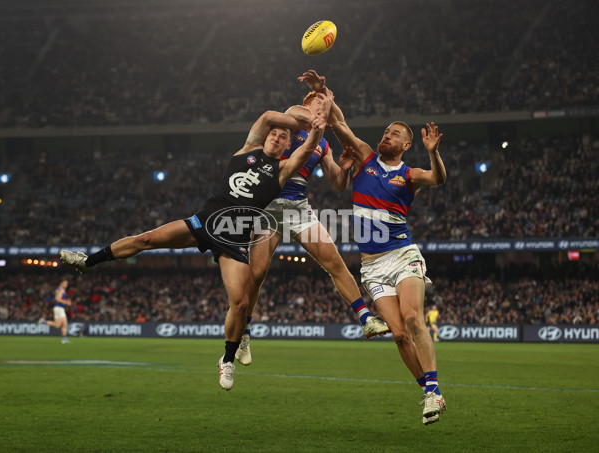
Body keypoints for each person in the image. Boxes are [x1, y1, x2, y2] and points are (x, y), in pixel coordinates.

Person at [59, 92, 334, 391]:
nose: (278, 138)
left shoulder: (282, 170)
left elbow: (307, 147)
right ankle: (88, 262)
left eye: (284, 138)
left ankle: (226, 360)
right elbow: (269, 115)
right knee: (147, 239)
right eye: (275, 134)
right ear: (266, 136)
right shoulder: (247, 149)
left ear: (286, 146)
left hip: (236, 236)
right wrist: (305, 116)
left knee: (241, 303)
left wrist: (318, 126)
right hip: (207, 219)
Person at [306, 70, 447, 425]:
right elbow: (339, 125)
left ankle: (434, 390)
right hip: (371, 267)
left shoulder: (410, 173)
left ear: (406, 145)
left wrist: (434, 155)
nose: (387, 136)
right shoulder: (367, 158)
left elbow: (438, 179)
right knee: (398, 334)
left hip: (402, 255)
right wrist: (324, 92)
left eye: (395, 134)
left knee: (414, 318)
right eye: (386, 131)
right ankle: (426, 391)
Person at [235, 82, 389, 366]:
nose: (322, 106)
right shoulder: (293, 118)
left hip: (297, 207)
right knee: (257, 274)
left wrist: (344, 168)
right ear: (308, 104)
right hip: (268, 203)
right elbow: (304, 114)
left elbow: (338, 184)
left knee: (335, 263)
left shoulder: (324, 143)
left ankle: (366, 318)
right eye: (319, 102)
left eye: (326, 104)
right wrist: (323, 107)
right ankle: (243, 333)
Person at [38, 277, 73, 344]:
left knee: (57, 325)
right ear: (61, 283)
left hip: (57, 308)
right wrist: (66, 302)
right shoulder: (61, 290)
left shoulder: (58, 289)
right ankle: (64, 339)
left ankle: (44, 321)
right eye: (65, 283)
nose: (66, 285)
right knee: (65, 324)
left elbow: (59, 298)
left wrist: (65, 301)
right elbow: (57, 299)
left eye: (67, 283)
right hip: (59, 308)